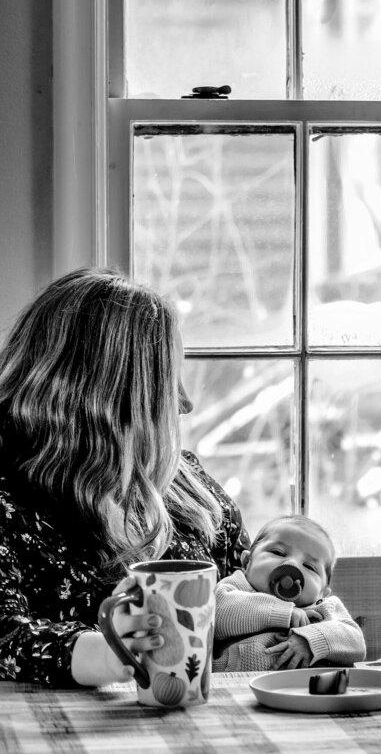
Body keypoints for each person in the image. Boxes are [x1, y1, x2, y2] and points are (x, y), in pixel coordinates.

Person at [0, 267, 249, 687]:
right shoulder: (12, 502)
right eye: (164, 385)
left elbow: (248, 589)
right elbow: (6, 633)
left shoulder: (189, 489)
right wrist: (106, 654)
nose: (184, 404)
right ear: (104, 397)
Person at [213, 515, 366, 671]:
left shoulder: (324, 608)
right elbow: (217, 617)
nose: (293, 564)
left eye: (310, 567)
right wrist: (282, 612)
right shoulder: (236, 587)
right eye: (278, 552)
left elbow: (355, 642)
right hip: (231, 687)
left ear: (323, 592)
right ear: (247, 562)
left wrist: (310, 640)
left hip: (301, 691)